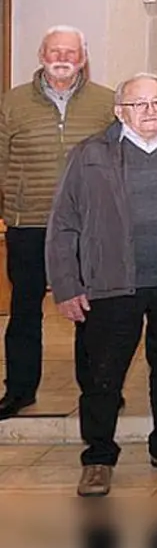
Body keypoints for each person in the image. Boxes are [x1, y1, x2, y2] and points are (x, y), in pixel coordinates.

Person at [47, 73, 157, 496]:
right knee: (103, 376)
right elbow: (63, 224)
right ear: (120, 110)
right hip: (111, 285)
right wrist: (67, 285)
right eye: (138, 104)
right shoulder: (90, 155)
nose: (150, 111)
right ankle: (99, 456)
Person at [0, 27, 115, 420]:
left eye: (71, 51)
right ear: (41, 54)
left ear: (83, 57)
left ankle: (97, 392)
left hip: (88, 225)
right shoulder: (12, 103)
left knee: (92, 311)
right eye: (54, 50)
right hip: (28, 221)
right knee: (24, 308)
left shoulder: (106, 102)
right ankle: (18, 390)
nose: (62, 57)